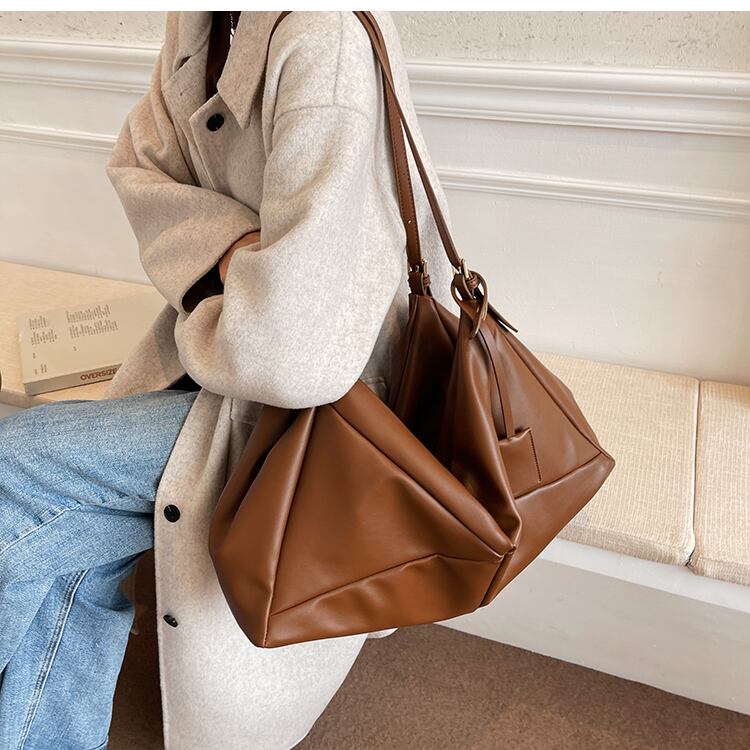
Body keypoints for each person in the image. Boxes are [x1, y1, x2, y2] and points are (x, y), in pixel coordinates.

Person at [0, 11, 456, 749]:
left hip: (337, 407)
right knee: (64, 528)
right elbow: (136, 166)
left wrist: (216, 281)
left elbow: (300, 355)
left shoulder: (324, 43)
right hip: (230, 355)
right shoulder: (200, 21)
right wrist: (237, 252)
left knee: (19, 470)